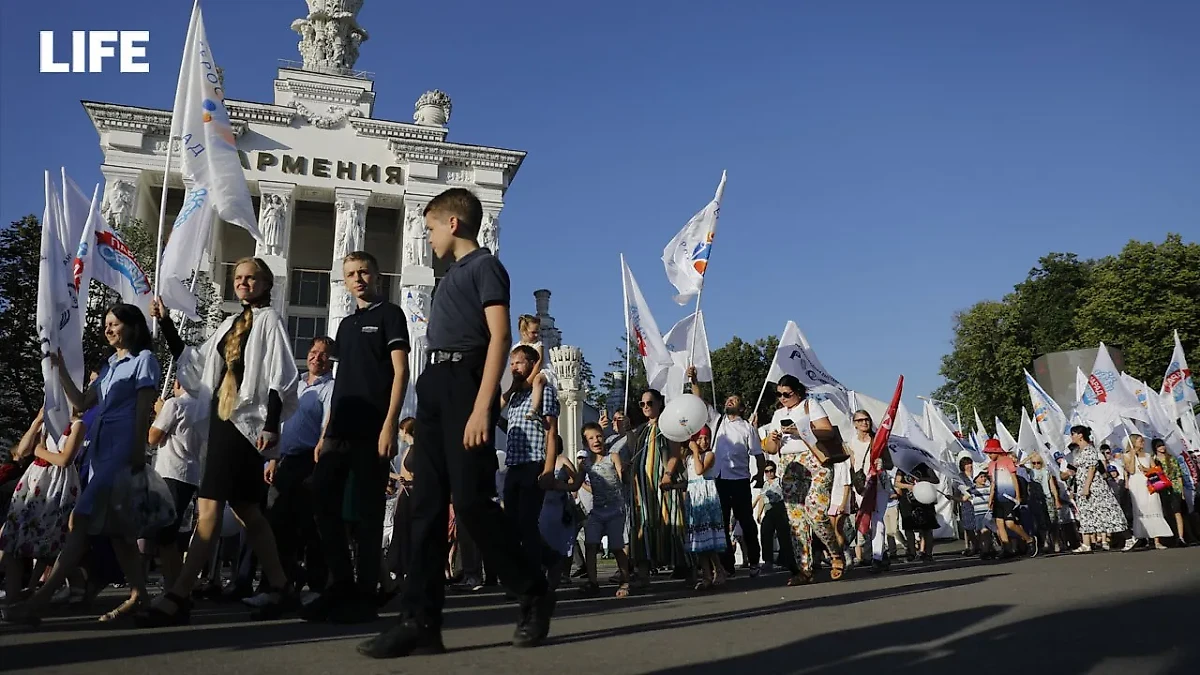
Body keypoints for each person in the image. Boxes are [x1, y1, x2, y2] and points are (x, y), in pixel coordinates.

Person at [358, 188, 553, 659]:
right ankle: (420, 622)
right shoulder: (449, 278)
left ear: (452, 224)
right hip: (435, 384)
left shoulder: (485, 266)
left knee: (470, 501)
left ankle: (533, 592)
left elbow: (500, 335)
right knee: (426, 505)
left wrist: (484, 405)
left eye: (428, 228)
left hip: (466, 381)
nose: (426, 238)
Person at [141, 258, 299, 625]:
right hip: (221, 419)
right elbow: (197, 364)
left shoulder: (269, 321)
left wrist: (272, 424)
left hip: (242, 426)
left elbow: (279, 375)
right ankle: (281, 585)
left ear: (265, 283)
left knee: (209, 511)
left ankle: (179, 594)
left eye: (251, 278)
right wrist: (165, 322)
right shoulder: (230, 324)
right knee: (248, 511)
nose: (244, 283)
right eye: (239, 278)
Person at [9, 304, 159, 626]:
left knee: (81, 520)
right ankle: (140, 595)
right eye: (106, 324)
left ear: (133, 327)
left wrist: (136, 453)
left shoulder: (144, 361)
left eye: (114, 324)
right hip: (99, 452)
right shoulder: (108, 366)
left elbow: (143, 410)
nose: (108, 329)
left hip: (121, 452)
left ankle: (39, 600)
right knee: (119, 535)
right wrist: (60, 369)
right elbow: (80, 403)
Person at [307, 251, 410, 624]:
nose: (358, 279)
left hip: (372, 430)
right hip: (339, 431)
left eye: (364, 271)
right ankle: (339, 585)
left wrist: (390, 424)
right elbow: (342, 383)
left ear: (377, 275)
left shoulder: (390, 315)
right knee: (321, 500)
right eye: (351, 274)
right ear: (345, 280)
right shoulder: (346, 326)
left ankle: (366, 594)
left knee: (367, 515)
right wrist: (325, 432)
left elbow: (401, 373)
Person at [260, 337, 335, 601]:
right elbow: (279, 423)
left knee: (309, 524)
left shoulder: (330, 388)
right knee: (276, 524)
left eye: (324, 355)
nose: (317, 358)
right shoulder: (296, 385)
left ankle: (316, 585)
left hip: (309, 461)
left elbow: (328, 421)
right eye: (314, 352)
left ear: (330, 360)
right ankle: (279, 583)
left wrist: (322, 444)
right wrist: (272, 458)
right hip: (283, 460)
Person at [761, 376, 844, 586]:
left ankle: (835, 553)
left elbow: (827, 431)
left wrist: (800, 431)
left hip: (814, 461)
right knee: (796, 519)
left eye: (787, 394)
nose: (783, 399)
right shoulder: (779, 414)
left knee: (816, 513)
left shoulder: (810, 405)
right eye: (779, 394)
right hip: (789, 464)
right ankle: (804, 569)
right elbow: (771, 449)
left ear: (798, 391)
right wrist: (774, 440)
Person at [1, 409, 82, 612]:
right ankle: (13, 597)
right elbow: (22, 451)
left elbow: (64, 459)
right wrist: (37, 422)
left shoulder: (76, 424)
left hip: (56, 484)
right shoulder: (46, 422)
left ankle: (62, 585)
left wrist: (40, 451)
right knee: (11, 539)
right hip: (33, 481)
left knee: (51, 539)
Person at [688, 367, 762, 578]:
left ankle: (754, 560)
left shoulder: (747, 428)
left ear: (742, 407)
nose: (729, 401)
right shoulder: (716, 420)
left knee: (746, 522)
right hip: (719, 480)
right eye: (728, 399)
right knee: (721, 524)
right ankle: (727, 565)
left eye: (734, 400)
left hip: (739, 480)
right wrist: (694, 381)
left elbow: (757, 453)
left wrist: (758, 475)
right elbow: (698, 401)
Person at [498, 344, 561, 575]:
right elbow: (495, 412)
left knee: (527, 522)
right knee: (512, 524)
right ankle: (550, 560)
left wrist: (548, 470)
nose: (514, 367)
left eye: (519, 362)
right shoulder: (514, 394)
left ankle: (534, 574)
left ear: (532, 364)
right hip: (513, 465)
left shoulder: (543, 390)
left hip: (533, 463)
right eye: (512, 362)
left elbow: (551, 432)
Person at [616, 389, 687, 589]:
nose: (646, 407)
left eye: (650, 403)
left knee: (672, 524)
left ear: (659, 404)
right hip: (642, 488)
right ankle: (644, 575)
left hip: (662, 486)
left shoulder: (668, 426)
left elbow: (675, 453)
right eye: (642, 404)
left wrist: (668, 474)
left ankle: (689, 570)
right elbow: (637, 453)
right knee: (643, 526)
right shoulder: (642, 430)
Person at [147, 379, 209, 589]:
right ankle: (176, 583)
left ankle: (177, 584)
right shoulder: (203, 408)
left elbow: (153, 437)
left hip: (170, 472)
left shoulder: (175, 404)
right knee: (169, 535)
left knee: (165, 536)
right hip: (190, 475)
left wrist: (159, 412)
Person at [576, 422, 631, 597]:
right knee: (590, 545)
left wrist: (625, 471)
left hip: (615, 510)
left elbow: (622, 476)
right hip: (597, 511)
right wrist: (555, 484)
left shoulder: (612, 456)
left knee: (617, 547)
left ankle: (625, 581)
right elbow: (576, 484)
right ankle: (593, 583)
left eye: (599, 436)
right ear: (585, 443)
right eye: (591, 438)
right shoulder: (584, 464)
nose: (596, 440)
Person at [1067, 426, 1127, 553]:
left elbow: (1092, 469)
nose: (1071, 437)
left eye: (1073, 434)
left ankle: (1128, 537)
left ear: (1080, 435)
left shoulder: (1090, 449)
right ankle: (1086, 544)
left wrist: (1087, 487)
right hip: (1081, 484)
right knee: (1085, 513)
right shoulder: (1079, 451)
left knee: (1109, 511)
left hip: (1095, 486)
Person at [682, 426, 727, 590]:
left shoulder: (709, 455)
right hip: (694, 498)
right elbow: (690, 478)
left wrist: (695, 451)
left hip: (706, 497)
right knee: (700, 541)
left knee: (710, 538)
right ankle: (706, 575)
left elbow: (700, 470)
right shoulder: (688, 458)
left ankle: (718, 569)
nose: (703, 442)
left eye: (706, 438)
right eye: (699, 438)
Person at [982, 439, 1038, 558]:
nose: (989, 455)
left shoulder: (1007, 461)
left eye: (991, 452)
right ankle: (1006, 548)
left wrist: (1017, 495)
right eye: (988, 453)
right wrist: (990, 498)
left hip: (1009, 497)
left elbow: (1014, 478)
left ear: (997, 451)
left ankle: (1029, 540)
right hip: (998, 498)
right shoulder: (991, 465)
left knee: (1010, 524)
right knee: (999, 524)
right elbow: (993, 483)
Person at [1121, 434, 1172, 551]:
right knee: (1141, 509)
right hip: (1136, 483)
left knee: (1154, 507)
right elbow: (1131, 470)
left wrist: (1146, 469)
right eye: (1140, 441)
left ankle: (1157, 540)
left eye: (1143, 441)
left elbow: (1156, 470)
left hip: (1149, 482)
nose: (1143, 443)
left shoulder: (1148, 455)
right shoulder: (1126, 455)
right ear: (1134, 442)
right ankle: (1146, 538)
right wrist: (1133, 456)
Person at [515, 314, 557, 424]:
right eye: (533, 332)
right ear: (523, 332)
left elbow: (539, 363)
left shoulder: (538, 344)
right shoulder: (516, 347)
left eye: (537, 331)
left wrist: (529, 381)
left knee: (537, 380)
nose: (537, 334)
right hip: (524, 374)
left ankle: (534, 409)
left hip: (542, 371)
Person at [1151, 439, 1189, 546]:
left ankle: (1181, 537)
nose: (1162, 448)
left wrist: (1181, 491)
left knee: (1177, 511)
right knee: (1167, 512)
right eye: (1159, 446)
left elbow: (1178, 475)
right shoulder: (1154, 460)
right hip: (1162, 488)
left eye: (1162, 445)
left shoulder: (1171, 458)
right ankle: (1171, 537)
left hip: (1174, 487)